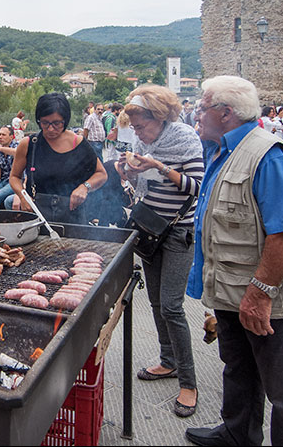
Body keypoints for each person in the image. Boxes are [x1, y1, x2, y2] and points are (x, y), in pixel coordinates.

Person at [184, 75, 283, 447]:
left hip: (268, 300)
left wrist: (260, 294)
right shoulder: (221, 150)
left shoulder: (269, 155)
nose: (197, 113)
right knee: (239, 370)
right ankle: (237, 434)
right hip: (233, 293)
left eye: (203, 107)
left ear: (226, 113)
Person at [115, 84, 204, 417]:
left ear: (159, 116)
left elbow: (197, 187)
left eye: (142, 125)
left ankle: (189, 382)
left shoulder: (184, 137)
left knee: (171, 306)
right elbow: (142, 189)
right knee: (155, 301)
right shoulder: (140, 142)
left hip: (179, 232)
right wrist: (128, 173)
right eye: (134, 127)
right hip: (149, 229)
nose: (137, 132)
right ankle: (168, 361)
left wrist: (158, 166)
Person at [9, 92, 107, 224]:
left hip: (73, 218)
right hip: (36, 216)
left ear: (65, 120)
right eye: (44, 123)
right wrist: (22, 195)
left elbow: (101, 174)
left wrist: (85, 187)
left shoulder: (78, 143)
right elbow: (14, 177)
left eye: (56, 123)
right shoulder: (29, 144)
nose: (50, 129)